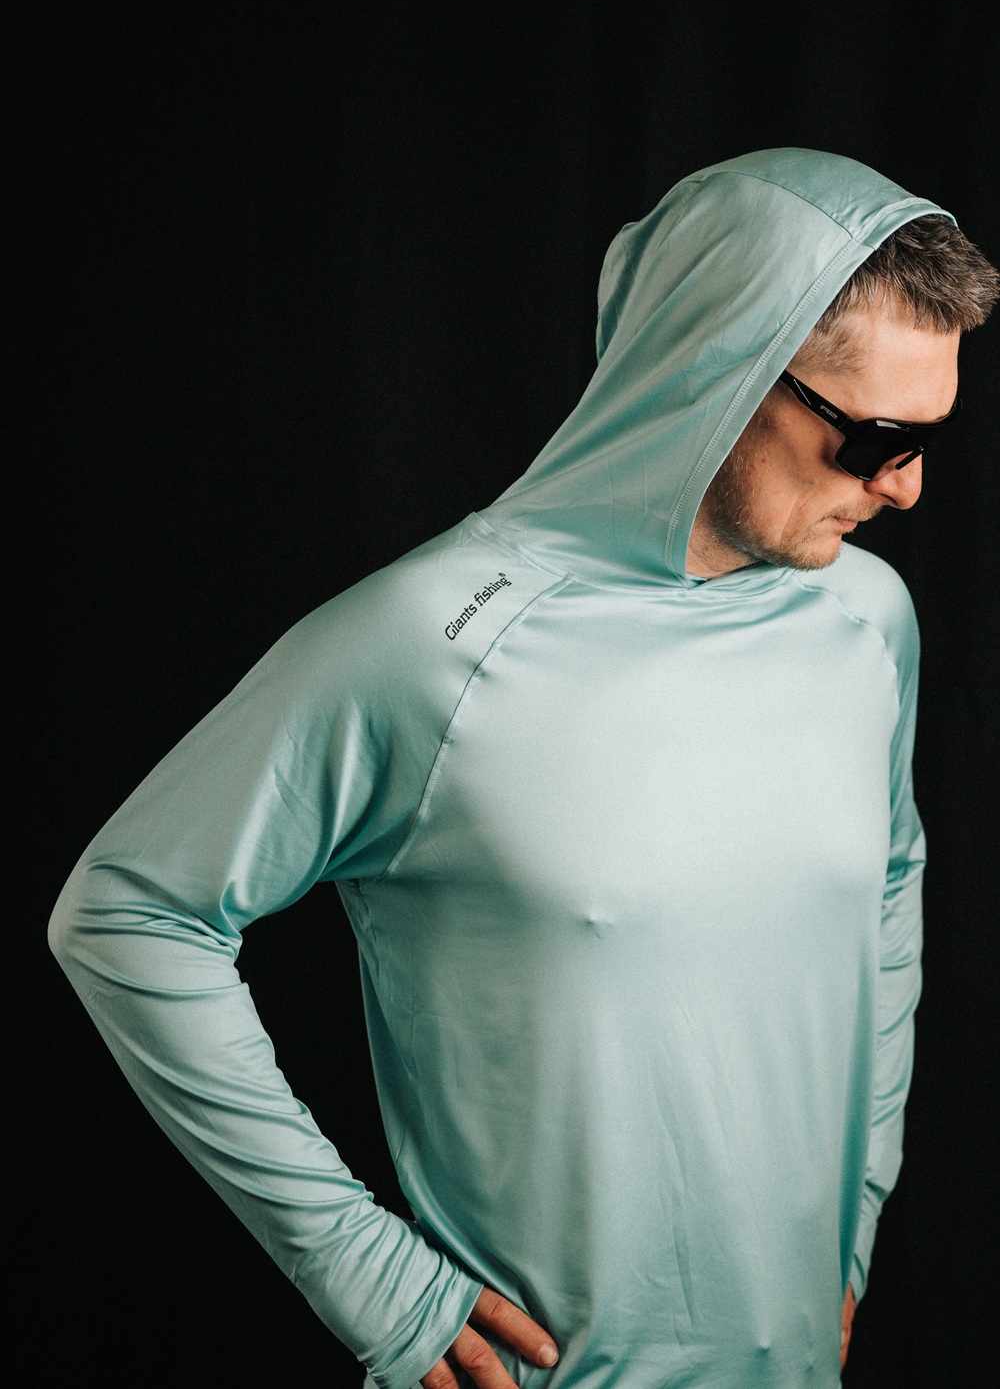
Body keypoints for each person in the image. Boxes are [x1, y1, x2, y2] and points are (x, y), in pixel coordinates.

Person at [49, 147, 999, 1389]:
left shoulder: (865, 619)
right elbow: (130, 912)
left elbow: (888, 888)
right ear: (714, 365)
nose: (907, 488)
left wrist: (854, 1221)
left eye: (928, 439)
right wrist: (363, 1270)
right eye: (873, 438)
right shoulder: (431, 641)